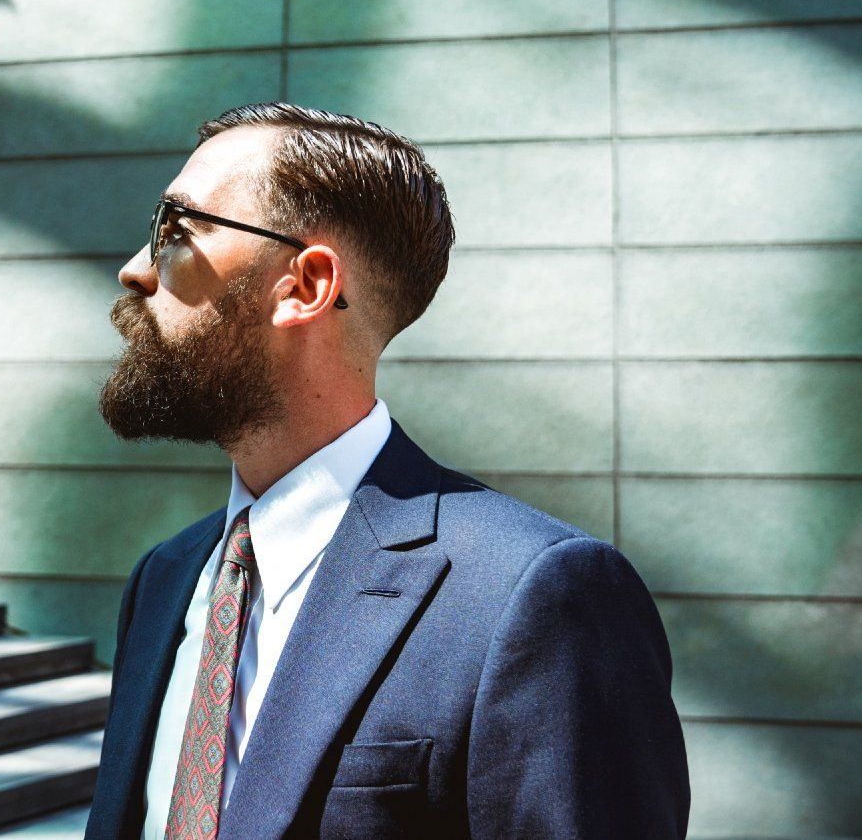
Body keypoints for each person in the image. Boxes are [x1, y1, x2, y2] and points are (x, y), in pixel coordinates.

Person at [84, 102, 689, 839]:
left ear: (305, 286)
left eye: (177, 230)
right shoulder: (166, 578)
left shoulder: (534, 596)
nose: (136, 268)